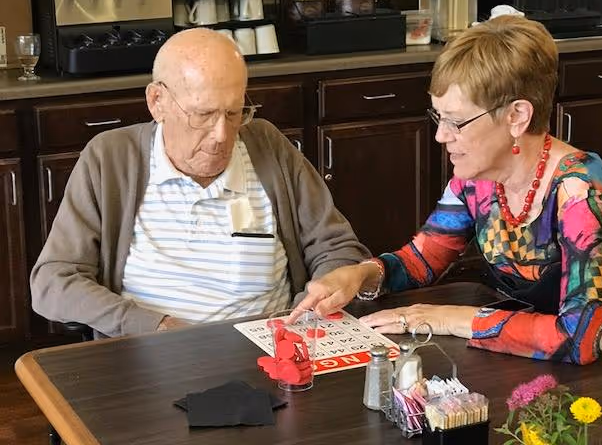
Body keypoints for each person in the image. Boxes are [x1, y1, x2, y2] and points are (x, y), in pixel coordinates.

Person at [292, 15, 602, 365]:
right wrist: (362, 274)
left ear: (517, 116)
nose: (441, 135)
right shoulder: (476, 179)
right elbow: (423, 259)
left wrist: (447, 318)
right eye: (438, 117)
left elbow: (579, 339)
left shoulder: (582, 191)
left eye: (455, 121)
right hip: (520, 362)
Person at [30, 28, 369, 338]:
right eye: (203, 115)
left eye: (234, 113)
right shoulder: (110, 159)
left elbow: (337, 248)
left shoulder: (268, 147)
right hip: (146, 358)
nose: (222, 135)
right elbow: (53, 282)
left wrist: (326, 286)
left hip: (267, 352)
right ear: (157, 102)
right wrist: (155, 327)